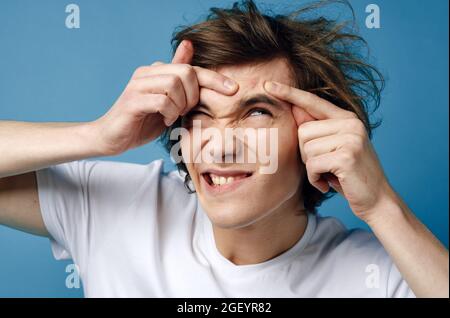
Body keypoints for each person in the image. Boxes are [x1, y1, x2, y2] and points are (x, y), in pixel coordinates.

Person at [0, 0, 448, 297]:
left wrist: (383, 206)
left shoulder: (380, 276)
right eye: (200, 116)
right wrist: (99, 135)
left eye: (255, 114)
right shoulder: (116, 209)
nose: (219, 145)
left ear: (314, 135)